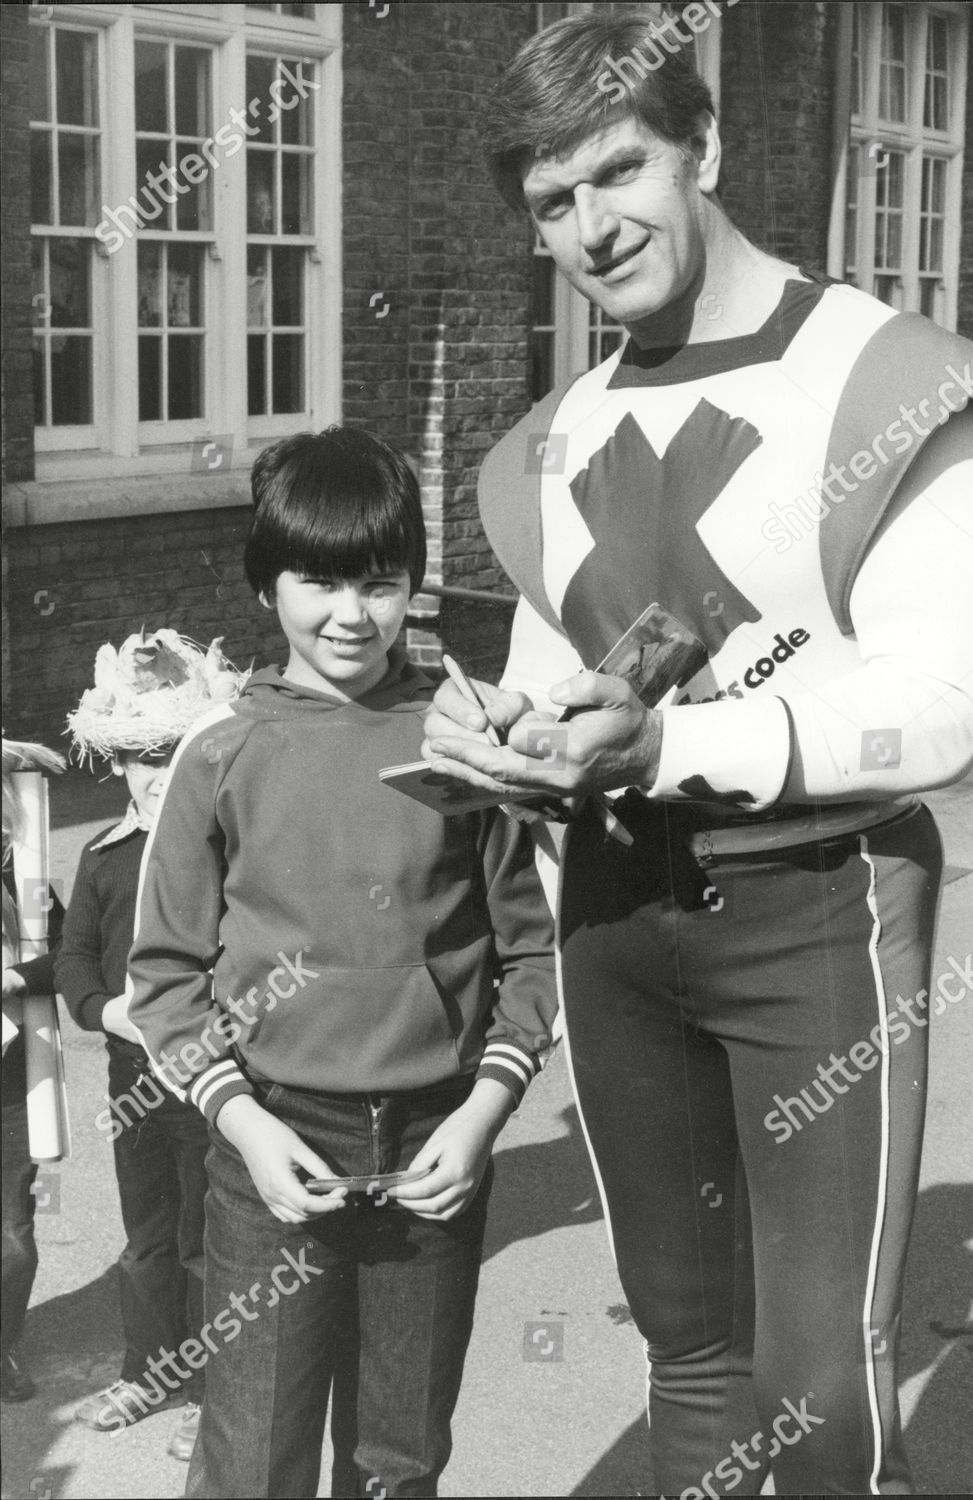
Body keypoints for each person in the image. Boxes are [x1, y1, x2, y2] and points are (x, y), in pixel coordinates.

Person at [422, 12, 973, 1497]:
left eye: (618, 172)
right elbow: (539, 682)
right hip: (616, 919)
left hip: (818, 905)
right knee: (686, 1346)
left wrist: (667, 742)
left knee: (819, 1382)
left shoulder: (894, 383)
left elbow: (941, 706)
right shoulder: (549, 439)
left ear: (702, 146)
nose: (591, 227)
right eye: (552, 204)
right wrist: (489, 735)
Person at [125, 426, 557, 1499]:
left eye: (379, 581)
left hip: (431, 1154)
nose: (351, 614)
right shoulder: (221, 752)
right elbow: (164, 982)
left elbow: (533, 954)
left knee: (399, 1460)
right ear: (265, 585)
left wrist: (480, 1117)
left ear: (411, 583)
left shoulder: (463, 744)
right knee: (251, 1456)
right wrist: (246, 1127)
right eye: (318, 580)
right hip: (273, 1149)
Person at [57, 628, 247, 1460]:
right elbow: (72, 960)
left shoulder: (231, 854)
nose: (154, 771)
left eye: (170, 751)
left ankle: (226, 1394)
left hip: (217, 1080)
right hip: (136, 1081)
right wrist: (106, 1014)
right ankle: (149, 1370)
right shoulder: (105, 859)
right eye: (137, 756)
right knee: (147, 1238)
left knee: (217, 1243)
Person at [1, 737, 65, 1404]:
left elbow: (72, 954)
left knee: (12, 1237)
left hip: (9, 1086)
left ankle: (0, 1351)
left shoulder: (24, 877)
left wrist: (17, 975)